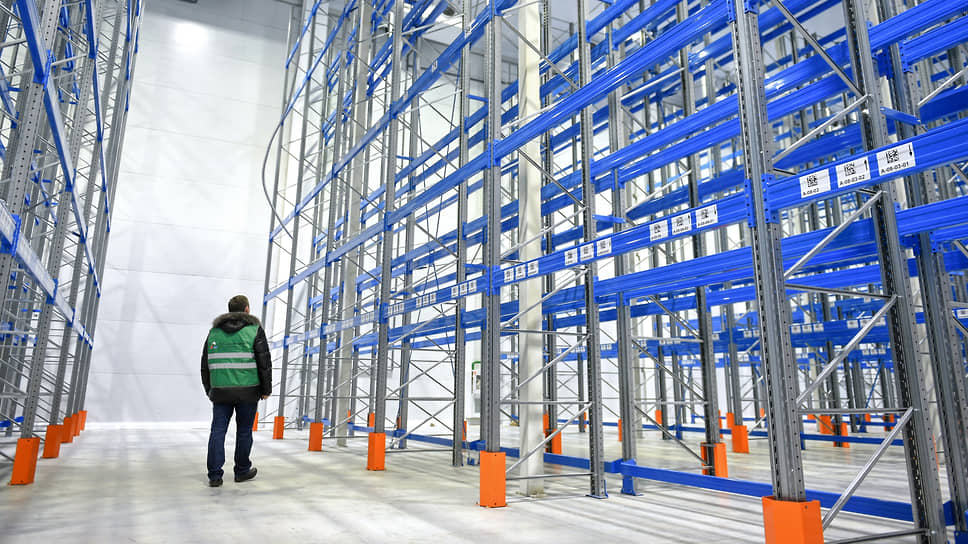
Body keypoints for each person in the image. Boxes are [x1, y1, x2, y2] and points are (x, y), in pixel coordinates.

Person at [201, 295, 272, 487]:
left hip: (220, 391)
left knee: (217, 431)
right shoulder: (254, 330)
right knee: (244, 431)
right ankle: (241, 471)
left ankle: (215, 475)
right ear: (247, 309)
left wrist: (210, 390)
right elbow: (264, 362)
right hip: (248, 391)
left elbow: (205, 365)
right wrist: (266, 389)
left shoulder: (214, 332)